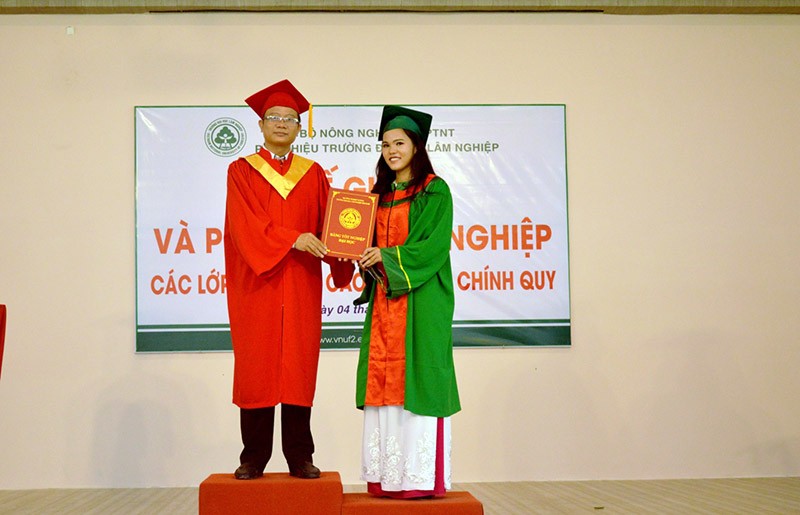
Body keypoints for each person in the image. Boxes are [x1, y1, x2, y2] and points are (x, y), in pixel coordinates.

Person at [224, 79, 354, 480]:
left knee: (298, 366)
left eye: (290, 118)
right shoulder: (241, 171)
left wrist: (350, 247)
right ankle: (253, 457)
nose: (281, 123)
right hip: (258, 283)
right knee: (257, 366)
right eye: (274, 117)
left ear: (300, 127)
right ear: (261, 125)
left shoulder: (312, 174)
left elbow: (332, 226)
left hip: (300, 282)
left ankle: (300, 455)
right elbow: (244, 226)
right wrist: (291, 238)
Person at [354, 106, 461, 498]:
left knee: (419, 382)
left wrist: (385, 257)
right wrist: (363, 256)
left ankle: (417, 479)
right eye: (385, 145)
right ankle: (388, 478)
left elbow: (432, 248)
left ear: (416, 146)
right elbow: (367, 247)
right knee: (383, 383)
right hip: (385, 304)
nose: (391, 151)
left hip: (422, 301)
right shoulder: (378, 196)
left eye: (399, 143)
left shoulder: (435, 191)